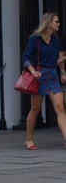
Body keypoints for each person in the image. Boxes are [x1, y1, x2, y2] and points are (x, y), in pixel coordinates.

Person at [24, 12, 66, 150]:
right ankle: (29, 138)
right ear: (49, 23)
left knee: (60, 108)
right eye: (56, 21)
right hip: (39, 75)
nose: (58, 24)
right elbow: (25, 57)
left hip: (52, 75)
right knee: (35, 109)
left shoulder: (56, 41)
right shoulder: (35, 39)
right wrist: (33, 71)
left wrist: (63, 64)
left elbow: (55, 61)